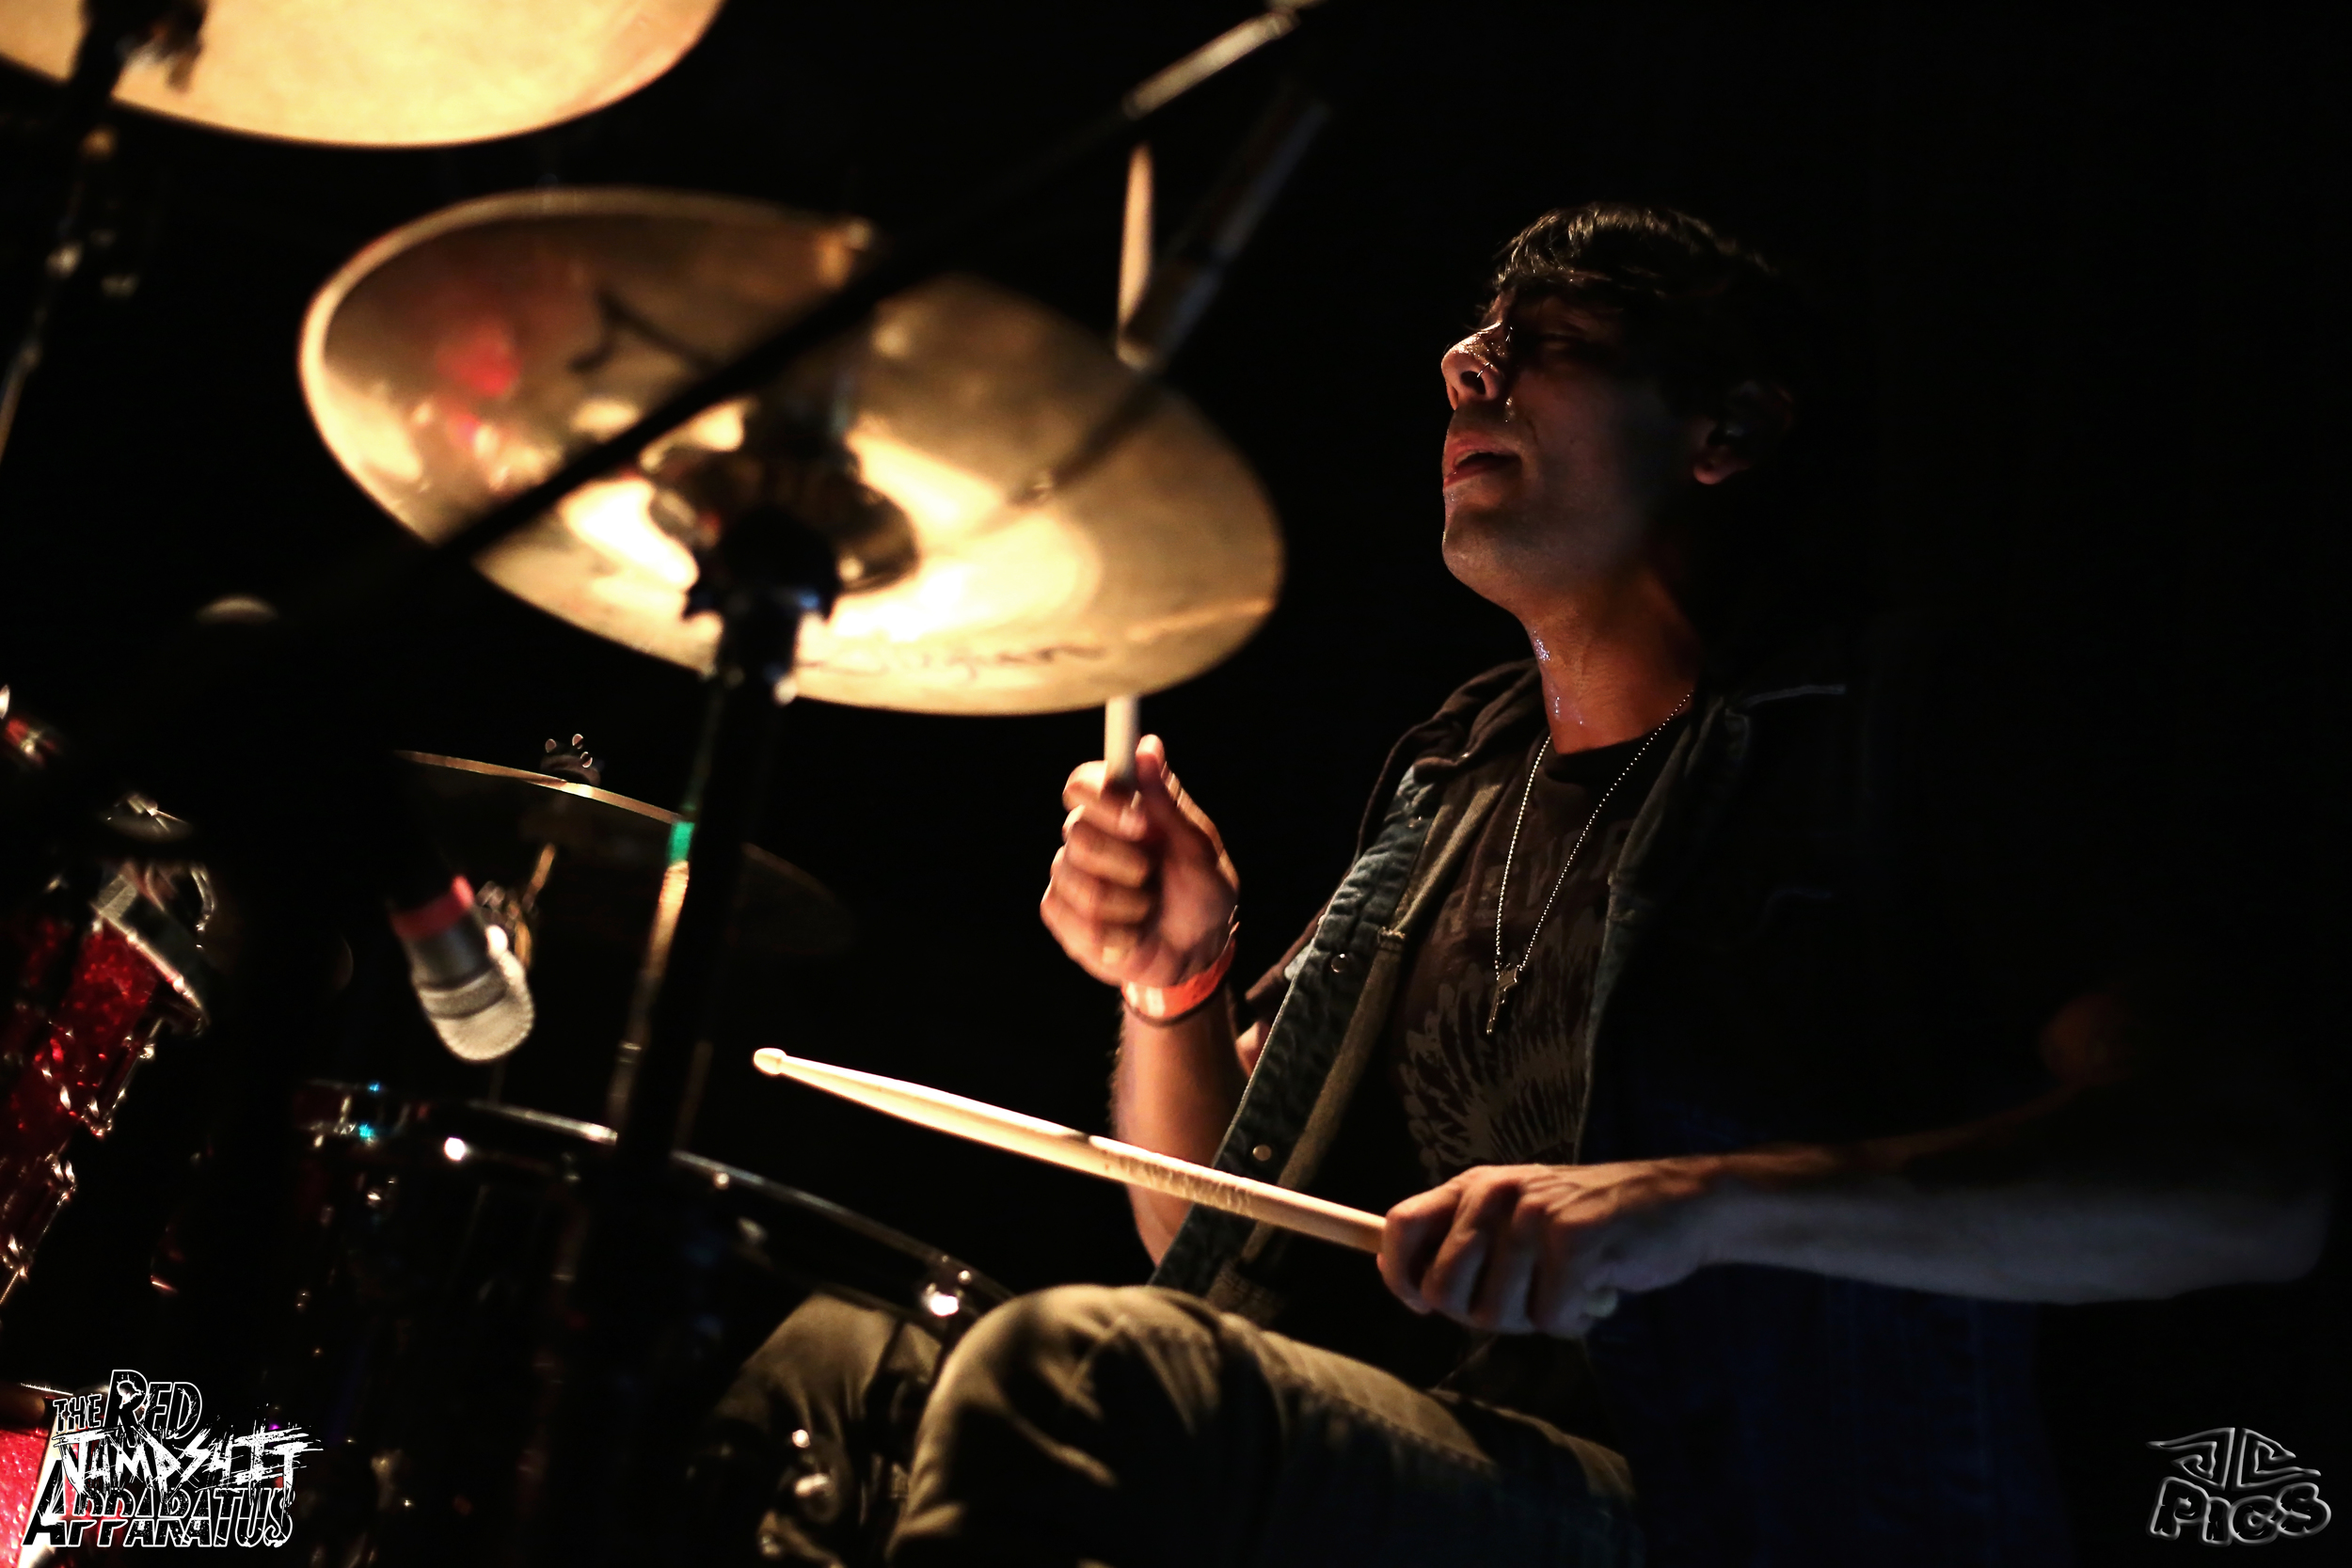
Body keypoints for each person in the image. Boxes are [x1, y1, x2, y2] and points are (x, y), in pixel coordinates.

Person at [699, 204, 2331, 1568]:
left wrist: (1691, 1203)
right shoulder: (1460, 777)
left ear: (1728, 432)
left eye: (1548, 337)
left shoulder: (1904, 730)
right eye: (1475, 337)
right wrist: (1176, 988)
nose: (1465, 364)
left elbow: (2252, 1186)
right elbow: (1211, 1237)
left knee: (1075, 1375)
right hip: (1438, 1455)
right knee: (832, 1371)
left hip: (1740, 1508)